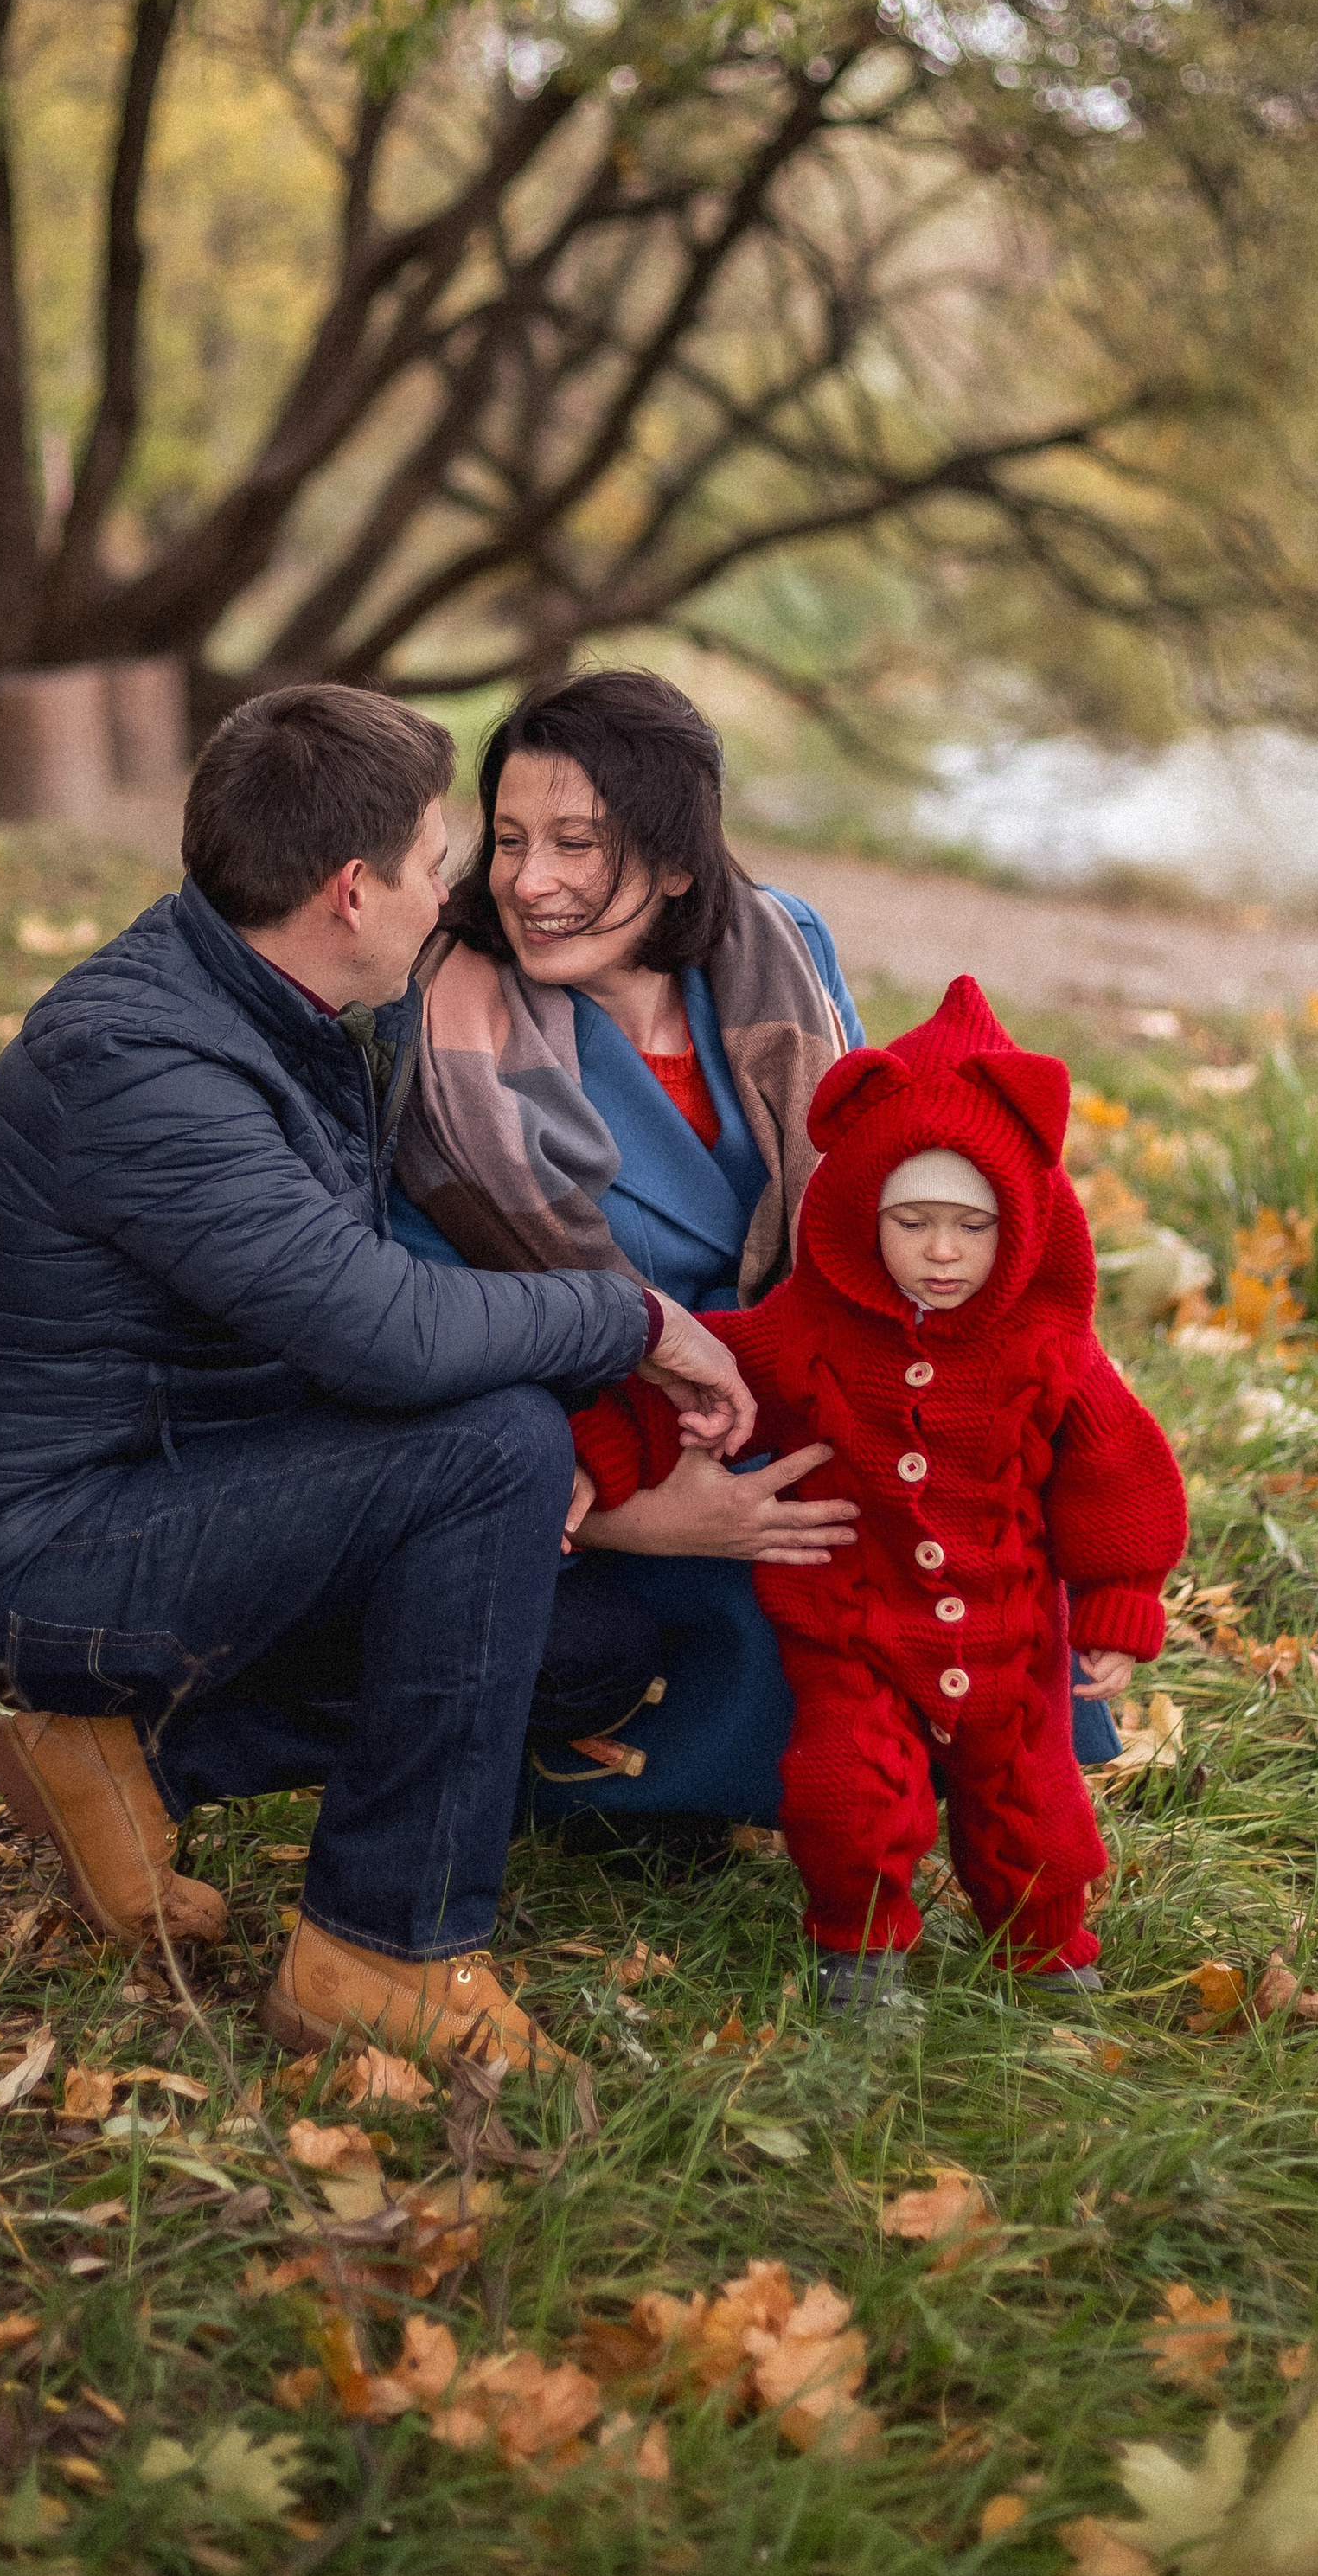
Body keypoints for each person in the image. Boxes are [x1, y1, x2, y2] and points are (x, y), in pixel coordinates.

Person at [0, 684, 754, 2073]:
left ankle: (129, 1766)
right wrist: (633, 1317)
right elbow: (386, 1335)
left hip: (186, 1483)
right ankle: (380, 1948)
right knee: (494, 1445)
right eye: (439, 864)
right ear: (353, 893)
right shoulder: (142, 1062)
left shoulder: (276, 1004)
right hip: (51, 1545)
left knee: (589, 1649)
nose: (462, 892)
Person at [390, 670, 1121, 1847]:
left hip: (806, 1393)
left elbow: (884, 1196)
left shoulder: (779, 945)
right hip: (599, 1457)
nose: (531, 882)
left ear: (678, 861)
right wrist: (632, 1513)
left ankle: (995, 1792)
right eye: (512, 840)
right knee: (809, 1591)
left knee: (991, 1479)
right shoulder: (447, 1023)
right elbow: (434, 1325)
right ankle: (656, 1774)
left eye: (579, 844)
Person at [571, 977, 1187, 2002]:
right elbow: (693, 1380)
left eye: (972, 1227)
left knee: (1032, 1804)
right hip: (852, 1624)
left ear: (1022, 1224)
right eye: (913, 1222)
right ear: (862, 1210)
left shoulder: (1048, 1350)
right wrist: (596, 1446)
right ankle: (858, 1951)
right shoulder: (804, 1333)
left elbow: (1117, 1466)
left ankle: (1044, 1947)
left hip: (1010, 1632)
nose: (941, 1253)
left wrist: (1119, 1599)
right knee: (847, 1792)